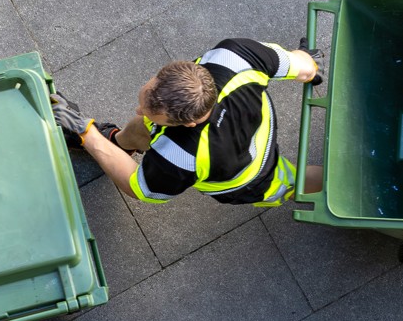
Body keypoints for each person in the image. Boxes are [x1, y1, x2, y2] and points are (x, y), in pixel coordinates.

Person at [52, 39, 323, 207]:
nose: (138, 109)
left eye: (150, 113)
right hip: (259, 121)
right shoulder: (234, 56)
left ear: (189, 124)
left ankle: (351, 188)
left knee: (290, 181)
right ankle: (117, 142)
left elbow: (138, 187)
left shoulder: (180, 157)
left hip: (251, 175)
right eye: (144, 100)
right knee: (142, 124)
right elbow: (305, 67)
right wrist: (310, 67)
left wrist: (85, 132)